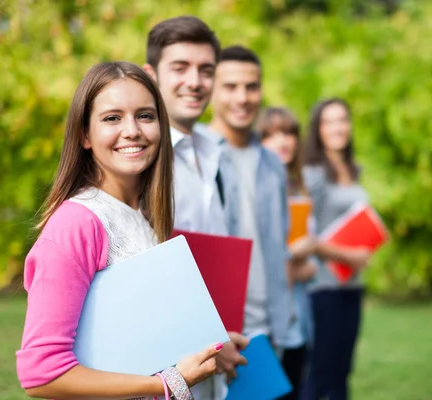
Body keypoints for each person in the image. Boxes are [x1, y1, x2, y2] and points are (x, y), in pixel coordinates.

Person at [15, 61, 221, 400]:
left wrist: (209, 346)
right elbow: (42, 374)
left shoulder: (145, 219)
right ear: (84, 134)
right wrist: (168, 384)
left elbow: (141, 338)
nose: (132, 130)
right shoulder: (76, 224)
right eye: (112, 118)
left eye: (145, 115)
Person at [142, 16, 249, 400]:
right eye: (180, 68)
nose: (195, 81)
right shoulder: (139, 156)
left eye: (206, 70)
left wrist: (223, 337)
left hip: (217, 353)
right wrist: (209, 340)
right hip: (160, 369)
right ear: (151, 75)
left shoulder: (214, 150)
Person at [203, 45, 293, 352]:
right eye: (230, 87)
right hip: (215, 334)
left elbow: (280, 243)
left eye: (251, 87)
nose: (242, 98)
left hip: (270, 330)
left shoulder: (273, 164)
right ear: (212, 90)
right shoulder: (193, 157)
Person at [303, 98, 372, 400]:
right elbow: (304, 236)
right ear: (318, 129)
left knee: (343, 371)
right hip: (323, 287)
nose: (338, 127)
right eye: (329, 121)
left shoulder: (354, 168)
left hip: (352, 284)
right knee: (322, 375)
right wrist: (348, 255)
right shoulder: (313, 173)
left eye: (342, 120)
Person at [255, 106, 318, 400]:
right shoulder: (251, 190)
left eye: (290, 133)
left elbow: (311, 268)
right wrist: (291, 255)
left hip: (298, 319)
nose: (283, 141)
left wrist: (301, 259)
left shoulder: (299, 189)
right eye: (272, 134)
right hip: (263, 324)